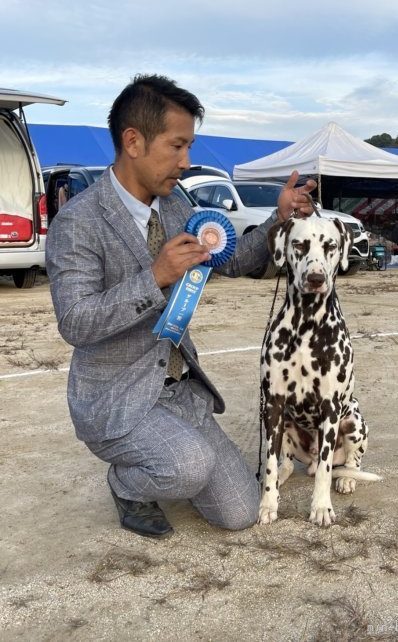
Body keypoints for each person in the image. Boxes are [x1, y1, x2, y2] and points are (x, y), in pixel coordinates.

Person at [46, 74, 316, 539]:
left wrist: (279, 218)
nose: (187, 161)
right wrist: (155, 278)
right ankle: (128, 483)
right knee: (189, 466)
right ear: (133, 140)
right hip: (118, 398)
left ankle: (177, 456)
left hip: (178, 392)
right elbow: (75, 322)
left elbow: (231, 262)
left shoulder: (175, 206)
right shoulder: (78, 222)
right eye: (177, 146)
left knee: (241, 513)